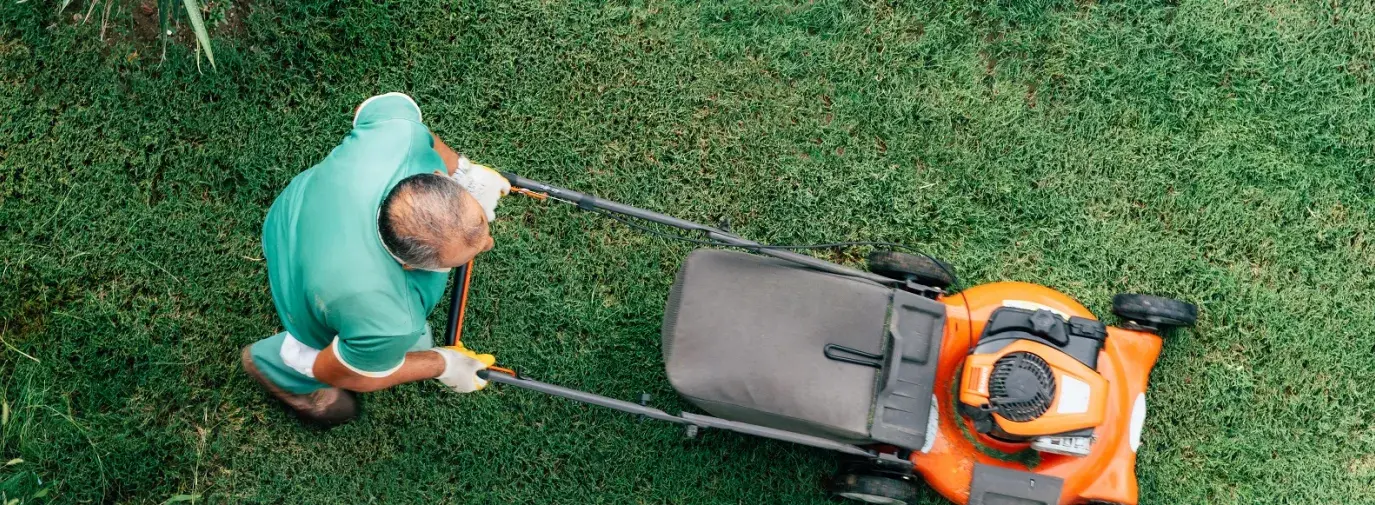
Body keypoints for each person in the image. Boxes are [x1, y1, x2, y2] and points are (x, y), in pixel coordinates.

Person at [241, 92, 511, 426]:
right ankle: (283, 363)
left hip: (289, 220)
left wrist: (466, 172)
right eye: (461, 258)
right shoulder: (388, 318)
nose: (488, 244)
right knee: (414, 342)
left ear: (440, 178)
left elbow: (368, 110)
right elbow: (350, 376)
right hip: (303, 298)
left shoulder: (399, 132)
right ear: (409, 266)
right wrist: (443, 364)